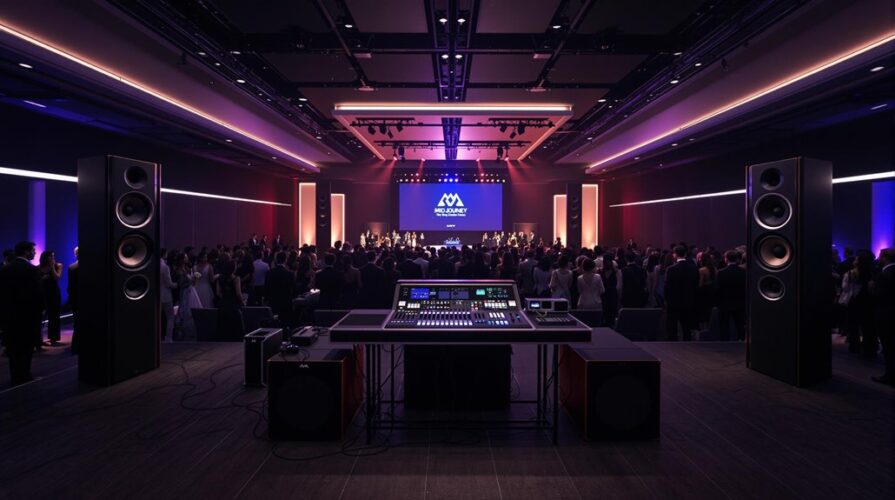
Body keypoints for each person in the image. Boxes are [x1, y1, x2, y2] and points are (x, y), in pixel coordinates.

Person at [0, 242, 44, 385]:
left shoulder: (6, 269)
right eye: (32, 250)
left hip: (10, 316)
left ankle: (15, 376)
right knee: (26, 347)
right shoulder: (31, 269)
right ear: (26, 252)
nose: (34, 253)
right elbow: (37, 294)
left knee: (13, 348)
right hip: (28, 316)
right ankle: (24, 376)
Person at [664, 245, 699, 341]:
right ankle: (687, 344)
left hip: (673, 301)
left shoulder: (671, 269)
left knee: (672, 327)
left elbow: (667, 287)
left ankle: (672, 344)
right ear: (685, 254)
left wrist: (666, 300)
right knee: (686, 327)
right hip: (688, 301)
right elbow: (696, 285)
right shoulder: (693, 268)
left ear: (675, 255)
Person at [871, 248, 895, 386]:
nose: (878, 258)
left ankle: (889, 376)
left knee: (889, 347)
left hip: (887, 316)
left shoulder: (885, 275)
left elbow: (879, 296)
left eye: (880, 256)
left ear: (884, 257)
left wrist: (872, 287)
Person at [715, 250, 746, 341]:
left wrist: (717, 303)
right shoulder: (743, 272)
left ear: (726, 259)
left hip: (724, 303)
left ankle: (725, 344)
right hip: (740, 303)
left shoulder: (721, 272)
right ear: (737, 259)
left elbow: (717, 289)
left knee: (724, 326)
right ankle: (741, 341)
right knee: (740, 325)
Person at [38, 250, 64, 347]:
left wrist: (52, 266)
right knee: (40, 317)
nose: (53, 258)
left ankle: (53, 338)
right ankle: (38, 339)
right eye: (50, 256)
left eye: (53, 256)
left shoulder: (58, 265)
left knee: (54, 316)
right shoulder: (39, 267)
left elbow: (57, 277)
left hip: (54, 294)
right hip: (42, 294)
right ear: (45, 257)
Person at [215, 258, 245, 340]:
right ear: (233, 268)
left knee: (224, 327)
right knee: (236, 327)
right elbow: (238, 293)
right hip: (233, 305)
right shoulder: (236, 278)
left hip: (223, 304)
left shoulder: (219, 278)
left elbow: (218, 293)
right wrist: (242, 302)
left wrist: (225, 298)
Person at [265, 252, 296, 328]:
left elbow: (266, 288)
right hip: (286, 302)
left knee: (274, 324)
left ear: (276, 260)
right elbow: (294, 289)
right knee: (286, 324)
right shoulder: (290, 274)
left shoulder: (269, 273)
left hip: (273, 301)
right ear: (285, 260)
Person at [696, 253, 718, 329]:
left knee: (703, 315)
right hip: (712, 293)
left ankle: (703, 333)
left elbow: (700, 284)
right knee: (710, 313)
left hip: (703, 294)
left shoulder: (701, 270)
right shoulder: (715, 269)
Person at [160, 251, 176, 343]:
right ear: (164, 254)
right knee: (170, 316)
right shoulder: (165, 267)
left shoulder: (154, 265)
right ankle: (168, 337)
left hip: (157, 295)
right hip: (166, 294)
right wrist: (176, 284)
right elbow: (168, 283)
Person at [67, 247, 80, 354]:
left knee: (77, 324)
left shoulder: (72, 267)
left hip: (76, 300)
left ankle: (75, 347)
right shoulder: (92, 266)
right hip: (88, 301)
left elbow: (71, 287)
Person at [600, 255, 620, 326]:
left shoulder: (600, 271)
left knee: (605, 313)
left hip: (604, 295)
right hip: (612, 294)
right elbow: (619, 285)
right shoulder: (616, 272)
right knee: (611, 315)